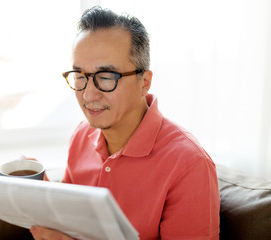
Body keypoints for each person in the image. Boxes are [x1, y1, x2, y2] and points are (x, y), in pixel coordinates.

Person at [30, 6, 220, 240]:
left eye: (107, 77)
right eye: (80, 76)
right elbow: (69, 218)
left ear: (145, 82)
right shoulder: (81, 136)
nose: (89, 95)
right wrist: (40, 190)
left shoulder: (189, 165)